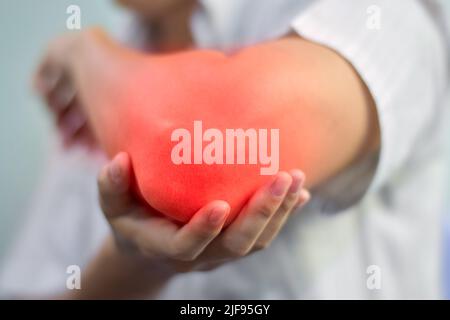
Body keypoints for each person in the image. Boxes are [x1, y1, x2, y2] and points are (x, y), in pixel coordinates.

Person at [0, 0, 448, 299]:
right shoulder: (99, 92)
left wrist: (85, 50)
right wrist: (130, 271)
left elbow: (199, 149)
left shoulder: (377, 12)